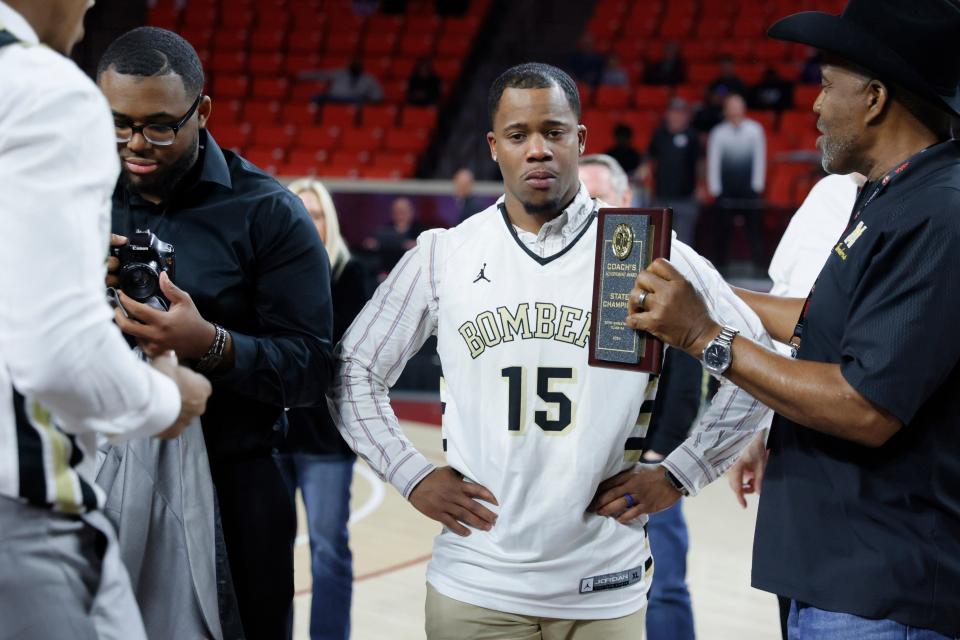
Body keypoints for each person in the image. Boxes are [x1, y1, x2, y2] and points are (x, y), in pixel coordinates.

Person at [330, 62, 772, 640]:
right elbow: (352, 371)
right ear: (494, 146)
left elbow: (757, 355)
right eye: (518, 135)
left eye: (554, 132)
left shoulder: (645, 249)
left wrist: (683, 471)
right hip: (477, 584)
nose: (537, 150)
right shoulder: (445, 254)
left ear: (580, 140)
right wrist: (411, 473)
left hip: (603, 588)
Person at [626, 2, 960, 637]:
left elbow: (865, 406)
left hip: (883, 588)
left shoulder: (939, 211)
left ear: (875, 97)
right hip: (841, 573)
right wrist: (713, 293)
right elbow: (833, 319)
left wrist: (705, 335)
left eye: (827, 84)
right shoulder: (894, 195)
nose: (814, 105)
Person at [97, 27, 334, 638]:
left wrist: (208, 343)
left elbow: (311, 369)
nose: (135, 144)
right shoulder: (77, 196)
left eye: (158, 125)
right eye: (118, 123)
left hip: (235, 484)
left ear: (201, 111)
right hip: (90, 472)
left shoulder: (268, 212)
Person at [0, 3, 212, 639]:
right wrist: (161, 397)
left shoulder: (269, 210)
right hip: (21, 510)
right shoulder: (39, 86)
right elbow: (57, 351)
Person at [725, 172, 861, 640]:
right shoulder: (833, 194)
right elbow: (788, 324)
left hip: (846, 483)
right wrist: (756, 426)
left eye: (829, 91)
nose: (819, 108)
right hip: (812, 463)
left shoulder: (841, 197)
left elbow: (804, 330)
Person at [579, 154, 701, 640]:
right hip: (584, 465)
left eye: (599, 196)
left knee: (665, 584)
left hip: (645, 468)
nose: (589, 208)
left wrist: (658, 455)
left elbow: (689, 368)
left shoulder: (662, 268)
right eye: (581, 198)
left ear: (627, 200)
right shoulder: (565, 275)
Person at [276, 178, 369, 640]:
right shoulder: (269, 269)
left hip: (327, 441)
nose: (308, 221)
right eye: (300, 211)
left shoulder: (349, 275)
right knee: (269, 553)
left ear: (328, 221)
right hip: (273, 434)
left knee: (328, 550)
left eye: (315, 213)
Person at [706, 93, 766, 271]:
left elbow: (759, 158)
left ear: (743, 108)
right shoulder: (718, 132)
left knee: (753, 231)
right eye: (731, 106)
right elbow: (714, 161)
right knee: (723, 231)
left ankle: (759, 267)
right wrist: (715, 189)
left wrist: (757, 185)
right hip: (725, 190)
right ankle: (720, 267)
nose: (734, 110)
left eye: (737, 106)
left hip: (749, 189)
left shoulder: (755, 130)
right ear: (726, 110)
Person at [643, 98, 704, 245]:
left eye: (680, 113)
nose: (676, 117)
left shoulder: (693, 137)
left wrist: (701, 186)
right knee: (659, 240)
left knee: (684, 241)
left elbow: (701, 162)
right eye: (673, 113)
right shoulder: (659, 135)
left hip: (686, 198)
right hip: (661, 197)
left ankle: (682, 269)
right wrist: (644, 169)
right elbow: (649, 158)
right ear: (667, 115)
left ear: (686, 117)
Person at [363, 196, 425, 274]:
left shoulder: (421, 232)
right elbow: (370, 245)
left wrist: (417, 245)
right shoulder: (384, 231)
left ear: (411, 212)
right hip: (387, 273)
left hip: (412, 273)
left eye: (403, 211)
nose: (400, 215)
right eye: (396, 212)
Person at [304, 57, 383, 106]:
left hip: (354, 99)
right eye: (353, 63)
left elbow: (377, 96)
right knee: (317, 98)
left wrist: (372, 100)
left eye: (357, 64)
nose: (354, 65)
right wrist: (302, 76)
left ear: (361, 65)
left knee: (362, 104)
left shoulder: (368, 78)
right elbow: (321, 75)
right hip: (335, 98)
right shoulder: (339, 73)